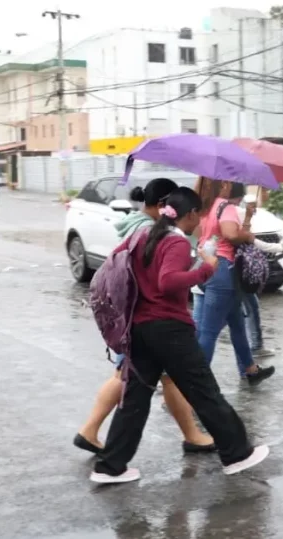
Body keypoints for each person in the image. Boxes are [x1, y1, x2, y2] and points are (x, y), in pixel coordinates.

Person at [92, 187, 269, 484]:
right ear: (190, 215)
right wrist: (205, 269)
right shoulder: (174, 241)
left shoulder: (144, 235)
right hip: (169, 329)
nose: (200, 221)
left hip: (140, 327)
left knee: (135, 398)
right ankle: (237, 453)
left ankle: (110, 466)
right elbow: (169, 282)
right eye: (198, 215)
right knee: (204, 391)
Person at [74, 178, 217, 457]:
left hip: (138, 318)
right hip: (148, 321)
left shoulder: (142, 225)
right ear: (164, 204)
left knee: (140, 378)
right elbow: (162, 280)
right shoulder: (150, 230)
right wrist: (201, 267)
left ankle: (93, 433)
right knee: (131, 381)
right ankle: (97, 436)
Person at [193, 179, 275, 385]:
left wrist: (246, 218)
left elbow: (201, 234)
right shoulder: (225, 206)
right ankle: (194, 384)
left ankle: (250, 369)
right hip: (223, 272)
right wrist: (247, 236)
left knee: (237, 323)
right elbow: (230, 234)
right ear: (224, 186)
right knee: (209, 332)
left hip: (207, 265)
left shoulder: (205, 206)